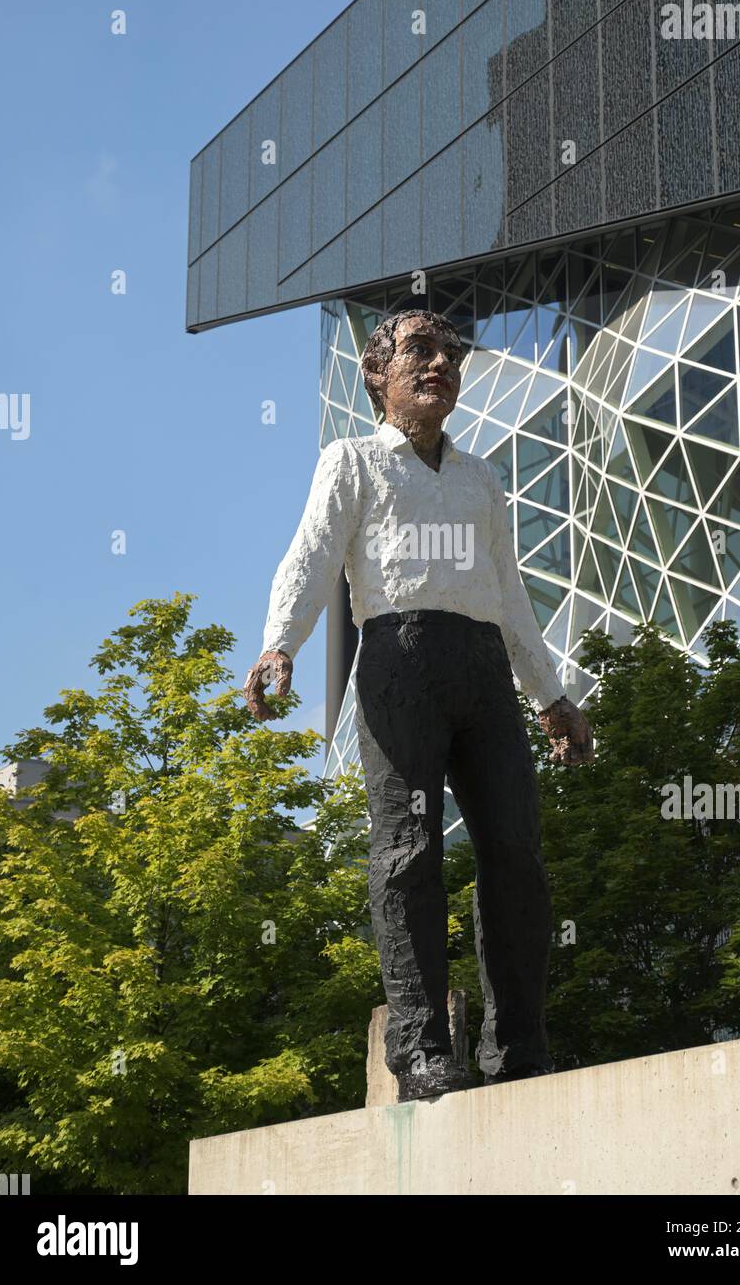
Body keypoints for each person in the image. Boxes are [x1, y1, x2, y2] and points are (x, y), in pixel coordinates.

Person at [244, 310, 593, 1103]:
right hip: (399, 663)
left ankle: (520, 1048)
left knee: (516, 849)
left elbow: (511, 597)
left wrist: (553, 695)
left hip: (482, 671)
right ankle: (422, 1049)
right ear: (376, 376)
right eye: (418, 350)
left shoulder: (479, 479)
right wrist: (280, 645)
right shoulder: (354, 461)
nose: (439, 363)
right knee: (409, 851)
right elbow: (311, 554)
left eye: (449, 353)